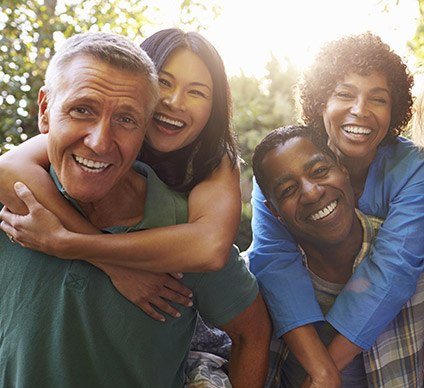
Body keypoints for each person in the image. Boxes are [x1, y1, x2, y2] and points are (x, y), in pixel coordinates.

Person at [0, 32, 271, 388]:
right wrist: (111, 264)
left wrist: (68, 244)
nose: (99, 141)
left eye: (126, 119)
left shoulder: (204, 181)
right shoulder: (26, 198)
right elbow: (7, 168)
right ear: (46, 110)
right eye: (83, 109)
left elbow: (213, 253)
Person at [248, 31, 424, 376]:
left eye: (378, 99)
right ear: (320, 102)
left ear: (395, 110)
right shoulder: (279, 167)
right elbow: (275, 264)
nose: (360, 110)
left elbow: (393, 268)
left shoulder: (413, 168)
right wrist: (322, 373)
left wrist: (326, 374)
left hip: (391, 338)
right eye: (344, 94)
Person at [252, 124, 424, 387]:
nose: (311, 192)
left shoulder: (416, 269)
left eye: (320, 171)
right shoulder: (254, 285)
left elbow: (395, 270)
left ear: (344, 169)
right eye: (287, 190)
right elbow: (208, 356)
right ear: (274, 212)